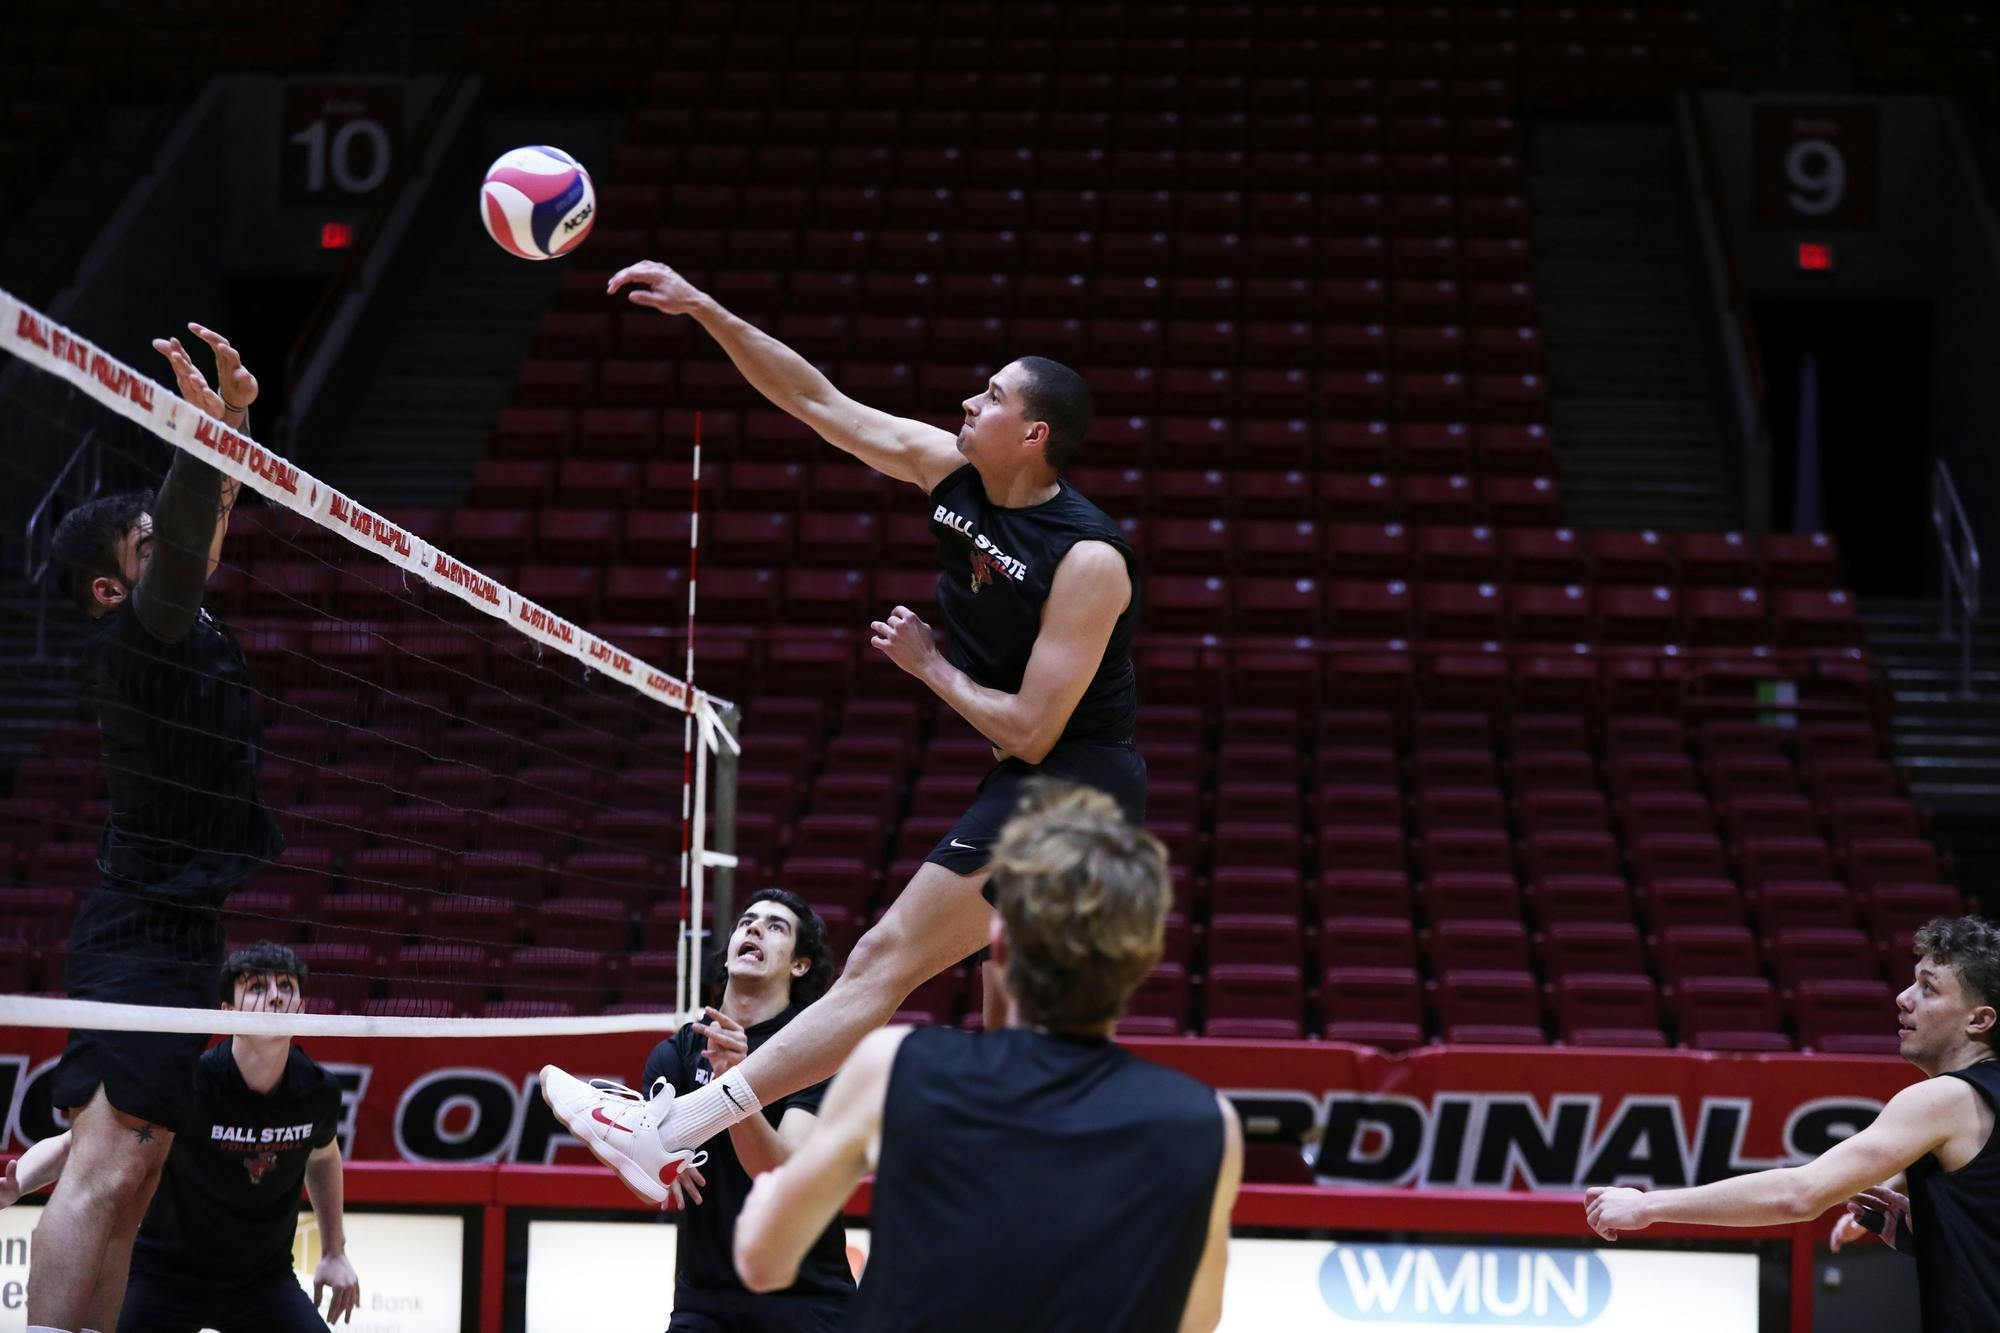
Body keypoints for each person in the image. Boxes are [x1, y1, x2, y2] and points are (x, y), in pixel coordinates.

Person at [542, 262, 1146, 1201]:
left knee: (879, 962)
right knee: (999, 1010)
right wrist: (709, 308)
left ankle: (671, 1122)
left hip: (1074, 786)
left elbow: (1031, 730)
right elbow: (815, 399)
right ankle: (1016, 1192)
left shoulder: (1088, 558)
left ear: (1034, 433)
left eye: (990, 395)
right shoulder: (952, 474)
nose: (965, 400)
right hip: (1035, 785)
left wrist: (929, 664)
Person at [731, 784, 1240, 1332]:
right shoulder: (1206, 1124)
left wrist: (769, 1198)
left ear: (997, 942)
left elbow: (763, 1262)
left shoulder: (898, 1065)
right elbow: (1196, 1320)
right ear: (1143, 964)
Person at [31, 324, 284, 1333]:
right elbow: (187, 530)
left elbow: (203, 517)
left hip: (180, 928)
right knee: (103, 1169)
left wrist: (229, 428)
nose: (174, 545)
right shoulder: (144, 636)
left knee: (136, 1175)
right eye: (145, 544)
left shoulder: (181, 618)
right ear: (110, 586)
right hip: (138, 927)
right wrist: (195, 438)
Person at [1585, 915, 2000, 1331]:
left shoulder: (1945, 1099)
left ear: (1979, 1020)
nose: (1904, 998)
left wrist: (1645, 1206)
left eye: (1928, 988)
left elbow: (1799, 1195)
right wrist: (1938, 1236)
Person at [4, 942, 358, 1332]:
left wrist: (333, 1251)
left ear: (302, 1009)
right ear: (228, 1013)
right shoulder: (188, 1084)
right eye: (257, 987)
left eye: (287, 987)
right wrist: (18, 1183)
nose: (275, 997)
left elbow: (323, 1156)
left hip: (263, 1283)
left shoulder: (317, 1089)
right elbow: (77, 1146)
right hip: (164, 1278)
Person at [641, 888, 855, 1332]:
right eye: (746, 922)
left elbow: (781, 1176)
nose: (754, 927)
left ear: (799, 965)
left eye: (775, 927)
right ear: (728, 955)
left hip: (805, 1298)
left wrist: (732, 1085)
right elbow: (650, 1185)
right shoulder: (677, 1054)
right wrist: (650, 1161)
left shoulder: (815, 1051)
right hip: (706, 1300)